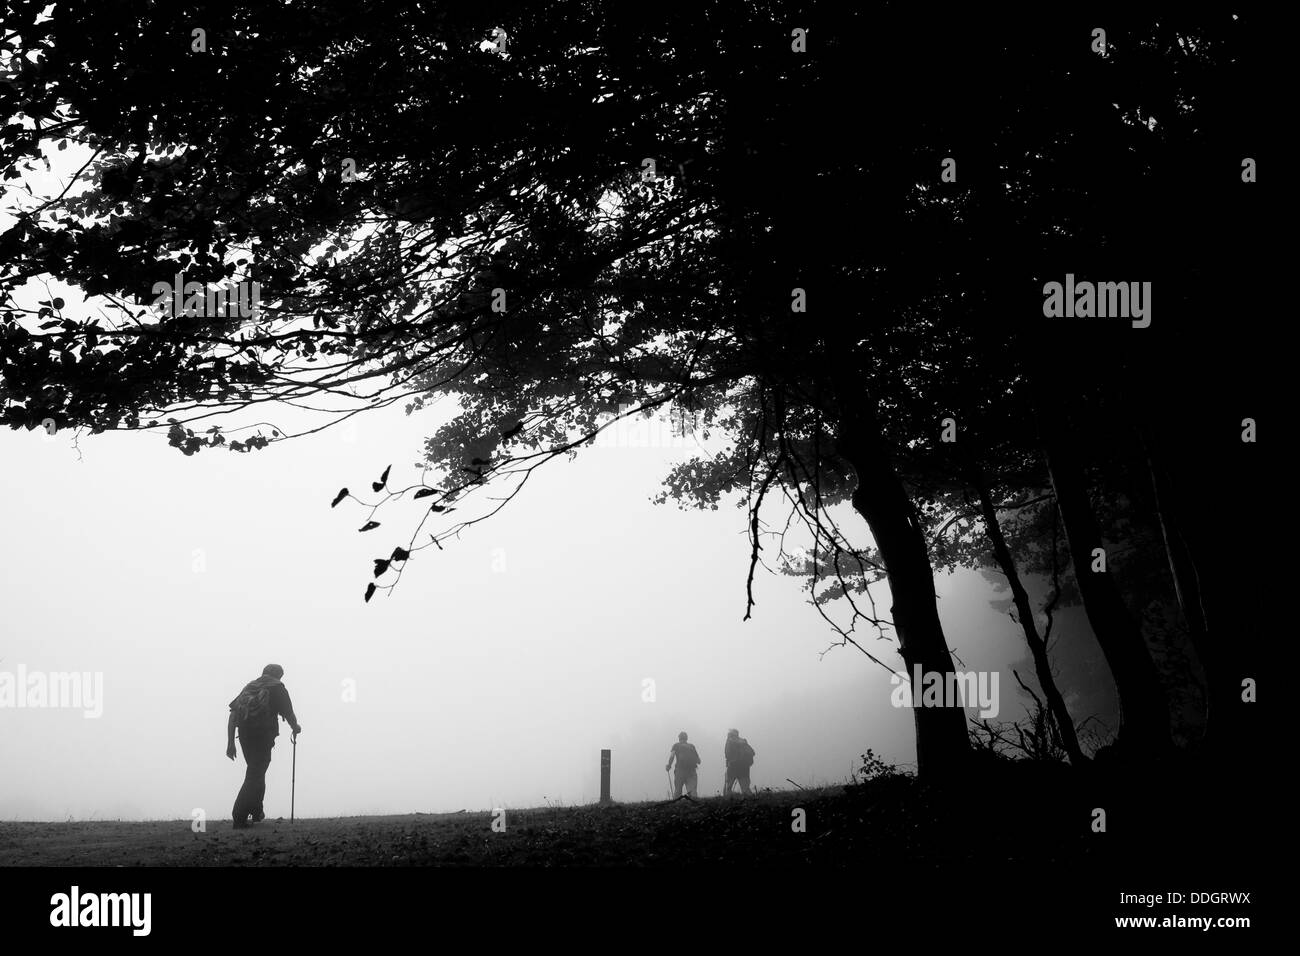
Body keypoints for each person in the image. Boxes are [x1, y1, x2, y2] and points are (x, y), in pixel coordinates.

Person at [226, 664, 301, 829]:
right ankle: (239, 817)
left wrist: (230, 742)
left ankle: (256, 811)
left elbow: (233, 715)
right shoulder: (278, 688)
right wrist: (295, 727)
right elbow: (288, 713)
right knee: (255, 775)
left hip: (245, 736)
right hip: (263, 736)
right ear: (279, 675)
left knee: (256, 773)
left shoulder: (250, 687)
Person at [665, 731, 701, 798]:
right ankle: (694, 805)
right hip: (691, 771)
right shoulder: (691, 746)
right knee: (692, 791)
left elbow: (672, 756)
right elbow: (699, 761)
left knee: (678, 791)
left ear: (679, 738)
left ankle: (676, 805)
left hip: (679, 771)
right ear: (686, 738)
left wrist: (669, 766)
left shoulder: (676, 745)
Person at [724, 728, 755, 796]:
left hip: (733, 767)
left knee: (728, 787)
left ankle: (727, 802)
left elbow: (727, 754)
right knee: (745, 788)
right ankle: (751, 802)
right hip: (745, 767)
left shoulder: (729, 741)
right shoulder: (743, 741)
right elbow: (752, 752)